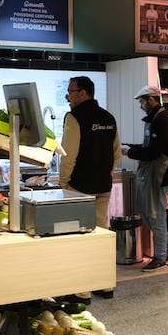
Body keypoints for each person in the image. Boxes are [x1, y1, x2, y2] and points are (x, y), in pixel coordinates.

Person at [122, 86, 168, 271]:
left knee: (155, 216)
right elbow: (148, 147)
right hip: (154, 175)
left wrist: (129, 152)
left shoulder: (162, 120)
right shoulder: (155, 119)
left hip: (161, 175)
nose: (141, 106)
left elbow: (153, 152)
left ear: (151, 99)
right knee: (147, 213)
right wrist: (129, 147)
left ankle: (160, 257)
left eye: (142, 102)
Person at [59, 76, 121, 229]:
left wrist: (64, 182)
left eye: (70, 92)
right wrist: (106, 174)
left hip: (78, 187)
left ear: (82, 93)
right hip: (103, 186)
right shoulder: (108, 117)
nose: (67, 97)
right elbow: (116, 153)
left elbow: (68, 155)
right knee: (100, 230)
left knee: (78, 230)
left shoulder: (74, 117)